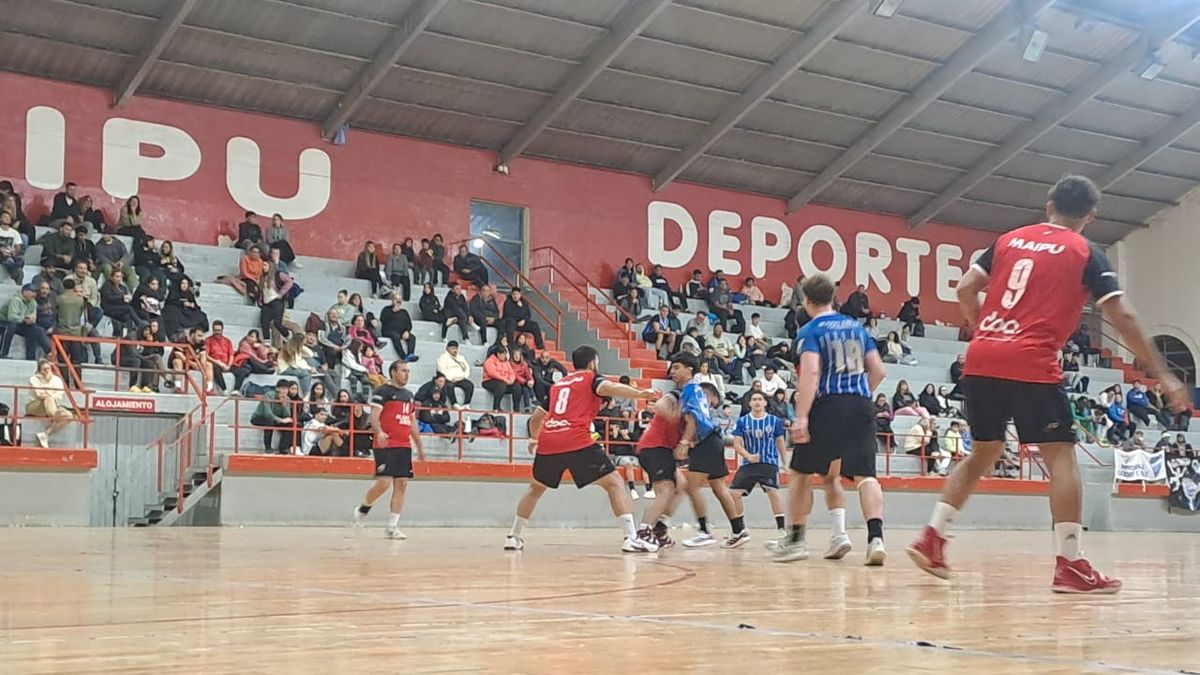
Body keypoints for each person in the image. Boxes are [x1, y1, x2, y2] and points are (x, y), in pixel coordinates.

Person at [907, 175, 1190, 594]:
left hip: (982, 356)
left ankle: (932, 537)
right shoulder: (1085, 251)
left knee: (984, 451)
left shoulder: (1008, 240)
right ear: (1090, 216)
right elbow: (1123, 316)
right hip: (1032, 360)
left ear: (1048, 205)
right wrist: (1163, 374)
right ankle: (1071, 563)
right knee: (1061, 456)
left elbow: (966, 288)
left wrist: (983, 327)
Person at [770, 273, 888, 566]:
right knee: (866, 476)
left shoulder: (810, 331)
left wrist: (802, 416)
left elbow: (811, 372)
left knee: (800, 473)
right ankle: (876, 539)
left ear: (807, 301)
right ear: (833, 298)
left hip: (828, 406)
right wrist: (861, 394)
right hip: (861, 404)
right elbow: (878, 371)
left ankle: (796, 541)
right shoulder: (857, 327)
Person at [503, 345, 660, 553]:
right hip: (576, 439)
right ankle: (631, 538)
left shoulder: (558, 386)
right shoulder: (591, 378)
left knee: (535, 488)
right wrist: (640, 394)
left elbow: (535, 419)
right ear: (593, 363)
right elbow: (609, 388)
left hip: (549, 441)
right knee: (614, 482)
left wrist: (534, 439)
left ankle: (513, 537)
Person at [352, 361, 426, 539]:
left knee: (402, 484)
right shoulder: (382, 392)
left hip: (404, 445)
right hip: (385, 444)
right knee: (384, 483)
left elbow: (412, 423)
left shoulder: (409, 395)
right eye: (403, 371)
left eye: (408, 371)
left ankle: (392, 526)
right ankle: (363, 507)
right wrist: (379, 432)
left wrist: (419, 446)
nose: (406, 374)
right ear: (393, 372)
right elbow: (374, 416)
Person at [674, 371, 746, 548]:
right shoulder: (696, 392)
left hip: (704, 442)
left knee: (692, 487)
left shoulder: (691, 389)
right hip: (713, 440)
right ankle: (739, 531)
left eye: (677, 367)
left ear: (689, 369)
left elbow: (692, 419)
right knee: (720, 488)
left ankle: (704, 531)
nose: (673, 372)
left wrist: (684, 442)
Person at [728, 391, 789, 541]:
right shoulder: (742, 422)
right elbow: (737, 444)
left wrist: (784, 463)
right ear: (749, 403)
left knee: (773, 491)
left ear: (765, 403)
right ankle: (741, 528)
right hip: (749, 463)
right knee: (733, 494)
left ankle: (781, 528)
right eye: (754, 399)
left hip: (769, 462)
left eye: (760, 399)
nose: (757, 402)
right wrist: (748, 456)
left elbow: (780, 442)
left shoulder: (774, 421)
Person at [27, 359, 75, 448]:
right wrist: (51, 392)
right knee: (48, 399)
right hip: (35, 405)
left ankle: (45, 434)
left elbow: (59, 394)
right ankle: (56, 416)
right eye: (44, 369)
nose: (47, 371)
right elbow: (40, 395)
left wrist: (47, 391)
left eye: (48, 368)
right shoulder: (34, 379)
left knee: (69, 415)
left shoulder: (57, 380)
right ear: (39, 371)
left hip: (53, 404)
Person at [1, 284, 50, 360]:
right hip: (4, 322)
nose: (34, 294)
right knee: (12, 326)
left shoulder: (33, 302)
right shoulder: (16, 300)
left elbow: (33, 316)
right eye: (32, 291)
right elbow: (12, 317)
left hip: (20, 323)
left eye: (35, 292)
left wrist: (31, 320)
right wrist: (24, 319)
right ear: (24, 291)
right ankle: (3, 353)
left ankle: (31, 356)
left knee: (34, 329)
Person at [252, 379, 298, 454]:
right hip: (259, 417)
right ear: (277, 389)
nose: (285, 391)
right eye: (283, 388)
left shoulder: (287, 398)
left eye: (286, 389)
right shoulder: (268, 395)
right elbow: (267, 414)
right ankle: (268, 448)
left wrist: (283, 404)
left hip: (275, 418)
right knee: (270, 422)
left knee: (291, 424)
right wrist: (281, 420)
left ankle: (283, 448)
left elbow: (287, 415)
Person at [380, 293, 419, 363]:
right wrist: (392, 311)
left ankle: (410, 354)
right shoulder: (386, 309)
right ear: (392, 300)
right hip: (388, 331)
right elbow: (382, 319)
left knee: (412, 337)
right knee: (396, 336)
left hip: (401, 332)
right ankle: (403, 357)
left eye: (399, 299)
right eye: (396, 299)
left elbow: (409, 324)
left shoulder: (404, 312)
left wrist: (407, 331)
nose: (398, 301)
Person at [436, 340, 473, 409]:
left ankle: (466, 404)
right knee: (449, 386)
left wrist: (464, 377)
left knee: (470, 385)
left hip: (460, 378)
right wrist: (451, 378)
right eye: (453, 348)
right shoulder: (443, 357)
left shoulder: (461, 358)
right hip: (449, 379)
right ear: (447, 348)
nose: (455, 350)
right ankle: (454, 404)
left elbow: (467, 368)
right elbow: (441, 370)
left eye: (456, 348)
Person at [0, 211, 24, 284]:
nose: (7, 219)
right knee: (8, 259)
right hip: (1, 254)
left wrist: (15, 252)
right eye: (5, 217)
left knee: (21, 260)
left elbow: (18, 248)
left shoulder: (14, 233)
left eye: (8, 217)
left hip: (11, 255)